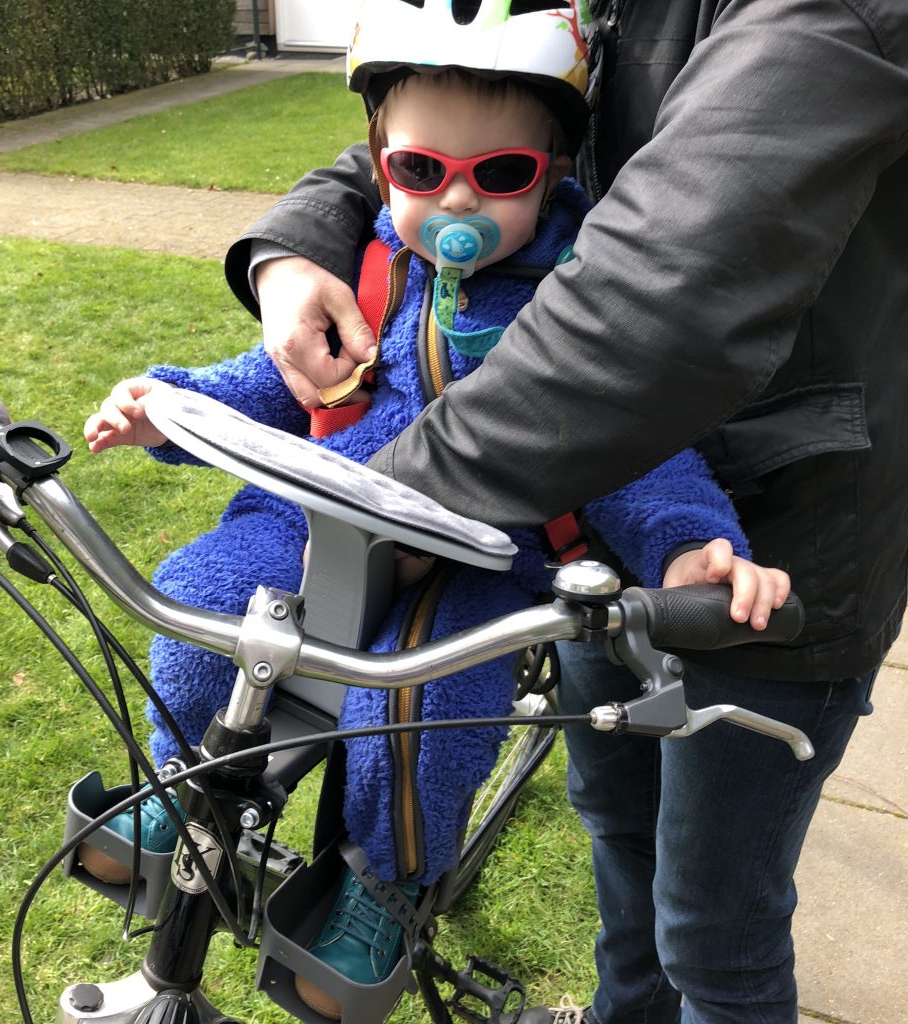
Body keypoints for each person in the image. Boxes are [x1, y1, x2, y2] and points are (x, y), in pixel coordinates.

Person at [85, 4, 791, 1020]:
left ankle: (384, 882)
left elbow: (636, 449)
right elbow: (277, 378)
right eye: (422, 172)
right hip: (314, 516)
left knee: (422, 719)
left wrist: (691, 546)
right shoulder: (367, 270)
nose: (455, 197)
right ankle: (174, 786)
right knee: (201, 603)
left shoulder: (576, 307)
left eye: (498, 175)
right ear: (381, 164)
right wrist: (163, 403)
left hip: (477, 559)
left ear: (550, 172)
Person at [222, 0, 908, 1022]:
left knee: (715, 932)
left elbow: (670, 281)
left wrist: (392, 510)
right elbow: (452, 118)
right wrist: (291, 252)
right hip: (578, 527)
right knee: (620, 844)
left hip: (768, 550)